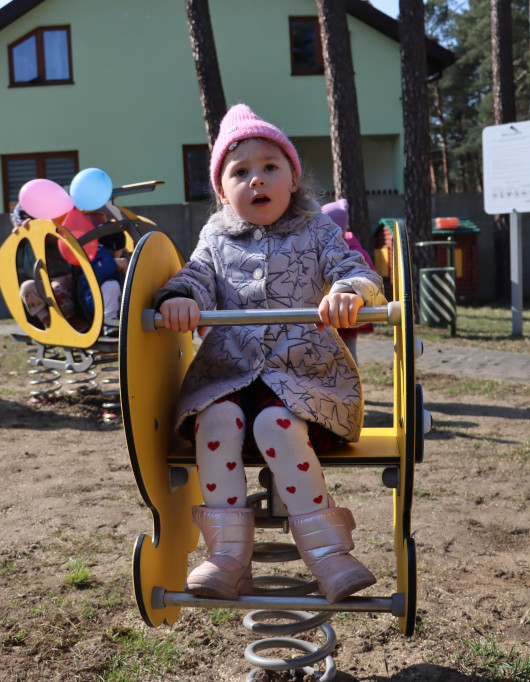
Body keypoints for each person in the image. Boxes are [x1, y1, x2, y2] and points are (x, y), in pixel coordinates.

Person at [154, 104, 388, 603]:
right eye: (240, 172)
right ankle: (227, 557)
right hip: (230, 376)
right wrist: (179, 300)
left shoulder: (316, 228)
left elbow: (359, 270)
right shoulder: (215, 240)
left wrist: (347, 290)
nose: (256, 180)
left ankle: (330, 554)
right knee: (215, 421)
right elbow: (194, 276)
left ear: (292, 179)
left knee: (273, 425)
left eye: (269, 167)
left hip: (306, 382)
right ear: (222, 191)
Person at [321, 199, 377, 362]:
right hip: (329, 314)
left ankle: (353, 378)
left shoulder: (354, 252)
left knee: (349, 354)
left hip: (350, 312)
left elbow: (367, 274)